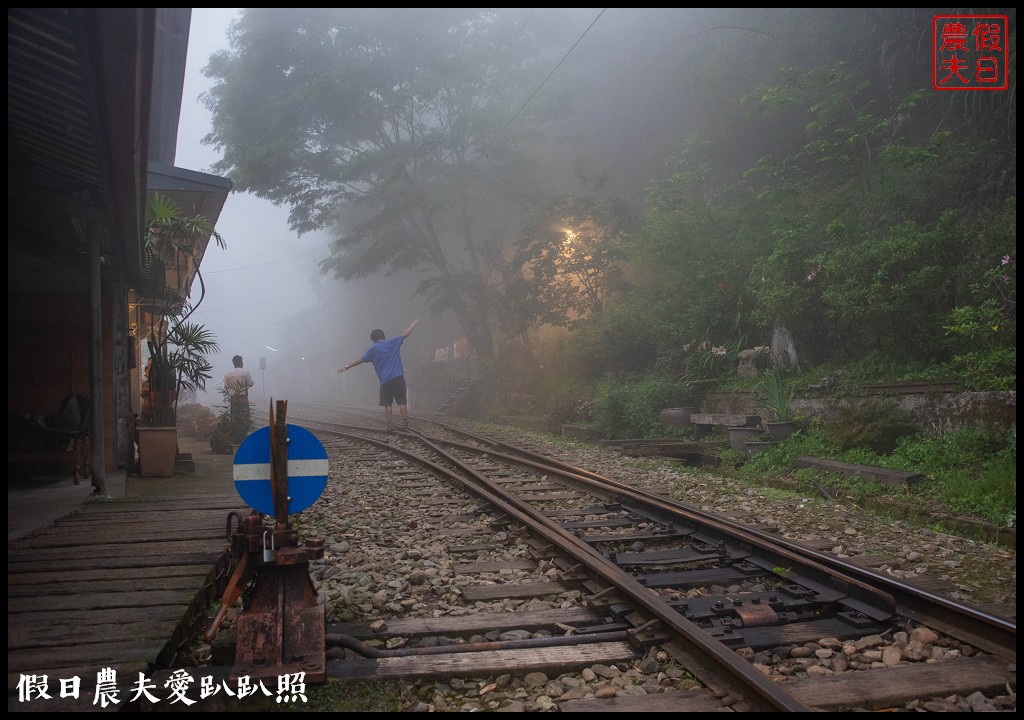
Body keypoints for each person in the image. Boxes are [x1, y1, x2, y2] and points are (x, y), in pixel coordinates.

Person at [338, 319, 420, 431]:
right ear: (383, 336)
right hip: (398, 376)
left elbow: (360, 360)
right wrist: (414, 324)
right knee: (402, 401)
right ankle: (405, 423)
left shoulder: (372, 350)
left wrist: (346, 367)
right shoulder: (393, 341)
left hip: (385, 380)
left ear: (373, 339)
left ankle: (390, 425)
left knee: (388, 403)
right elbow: (405, 334)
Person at [223, 354, 254, 440]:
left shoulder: (228, 373)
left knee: (234, 418)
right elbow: (250, 383)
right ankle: (243, 435)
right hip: (243, 398)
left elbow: (226, 386)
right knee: (244, 418)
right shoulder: (245, 372)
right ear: (240, 362)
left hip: (233, 399)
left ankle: (235, 436)